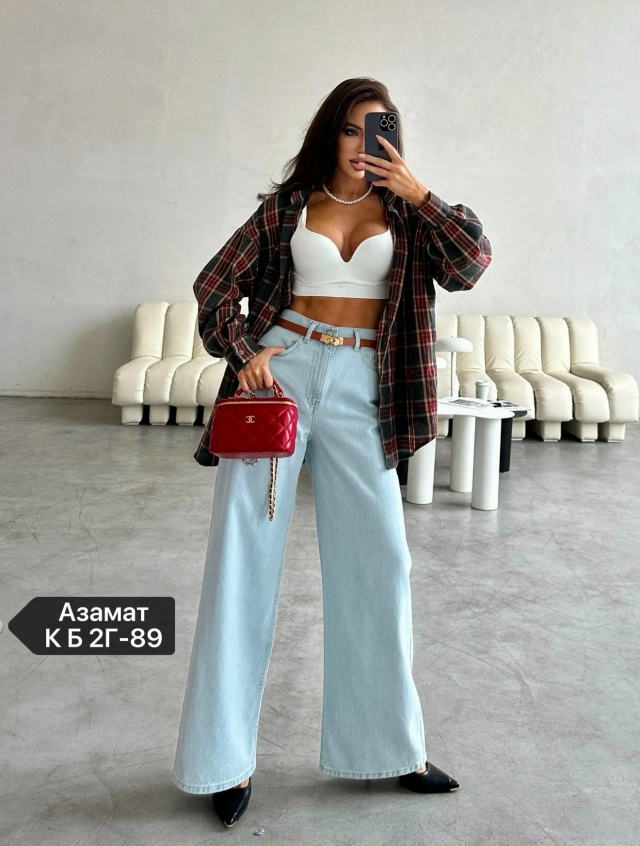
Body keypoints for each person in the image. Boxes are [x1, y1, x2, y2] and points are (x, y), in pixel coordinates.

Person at [171, 77, 492, 828]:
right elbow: (213, 289)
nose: (361, 145)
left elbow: (471, 264)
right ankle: (223, 761)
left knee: (380, 561)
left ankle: (390, 748)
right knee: (243, 557)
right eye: (350, 129)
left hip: (363, 383)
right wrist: (245, 351)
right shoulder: (287, 207)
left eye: (377, 130)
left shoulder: (410, 214)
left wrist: (419, 192)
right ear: (330, 134)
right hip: (281, 375)